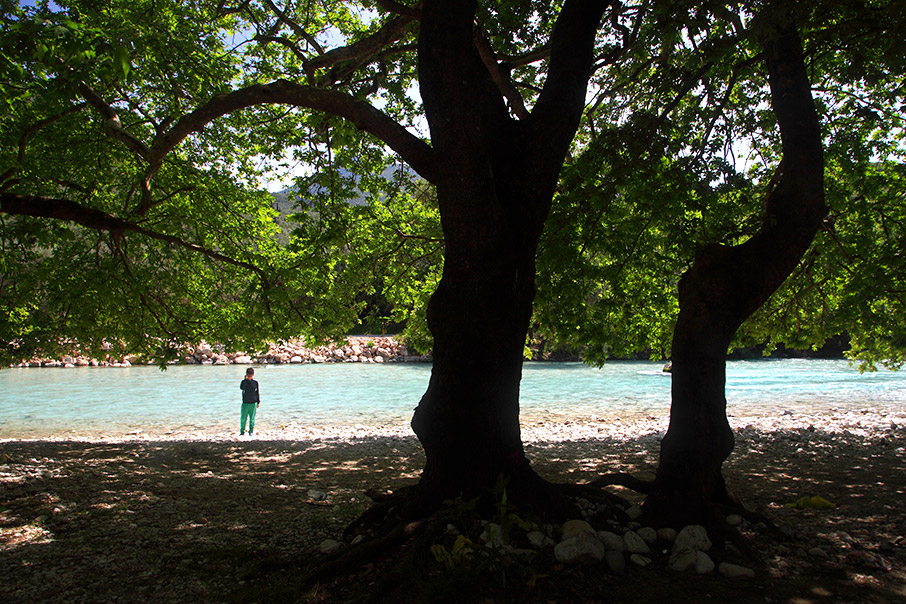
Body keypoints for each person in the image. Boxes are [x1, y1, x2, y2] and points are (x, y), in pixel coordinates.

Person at [239, 367, 260, 436]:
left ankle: (251, 431)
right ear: (246, 374)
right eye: (248, 375)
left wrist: (258, 401)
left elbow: (257, 392)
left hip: (253, 402)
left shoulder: (255, 382)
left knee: (252, 418)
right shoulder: (244, 382)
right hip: (245, 402)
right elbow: (242, 388)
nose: (250, 376)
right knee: (243, 418)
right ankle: (242, 431)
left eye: (250, 375)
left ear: (253, 375)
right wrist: (246, 380)